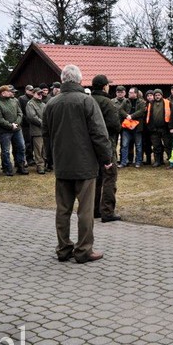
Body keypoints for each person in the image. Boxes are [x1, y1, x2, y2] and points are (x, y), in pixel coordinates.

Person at [43, 65, 113, 263]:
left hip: (62, 164)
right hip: (85, 165)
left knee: (62, 209)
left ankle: (63, 249)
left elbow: (46, 135)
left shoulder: (51, 104)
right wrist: (106, 159)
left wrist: (50, 159)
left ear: (63, 80)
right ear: (80, 81)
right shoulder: (86, 101)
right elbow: (99, 134)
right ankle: (83, 250)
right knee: (85, 210)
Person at [90, 75, 122, 222]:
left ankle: (94, 209)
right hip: (106, 143)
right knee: (109, 178)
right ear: (104, 86)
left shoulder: (88, 100)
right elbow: (115, 124)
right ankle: (107, 212)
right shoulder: (107, 102)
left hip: (91, 145)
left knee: (96, 178)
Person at [0, 85, 28, 176]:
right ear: (3, 93)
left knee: (21, 147)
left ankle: (21, 167)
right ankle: (8, 169)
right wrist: (10, 126)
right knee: (6, 151)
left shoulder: (15, 101)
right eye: (9, 91)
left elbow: (20, 113)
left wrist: (16, 123)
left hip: (17, 129)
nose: (11, 92)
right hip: (5, 131)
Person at [122, 87, 146, 168]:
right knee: (124, 145)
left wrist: (131, 116)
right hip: (127, 127)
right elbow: (120, 110)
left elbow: (141, 111)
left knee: (138, 145)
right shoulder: (126, 101)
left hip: (137, 127)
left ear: (135, 93)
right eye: (129, 92)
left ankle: (138, 162)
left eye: (131, 92)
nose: (129, 94)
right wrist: (126, 115)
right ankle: (123, 162)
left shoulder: (142, 102)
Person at [147, 89, 172, 167]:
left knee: (168, 145)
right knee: (156, 146)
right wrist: (150, 127)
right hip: (154, 129)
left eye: (159, 95)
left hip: (165, 128)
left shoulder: (168, 102)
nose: (157, 96)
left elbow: (172, 115)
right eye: (156, 95)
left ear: (161, 95)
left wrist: (170, 126)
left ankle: (171, 160)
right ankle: (158, 161)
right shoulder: (150, 104)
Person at [26, 88, 47, 174]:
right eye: (38, 93)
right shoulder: (30, 104)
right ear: (33, 93)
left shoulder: (43, 104)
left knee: (44, 150)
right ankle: (40, 167)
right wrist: (43, 123)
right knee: (38, 150)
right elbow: (32, 117)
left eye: (41, 94)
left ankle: (45, 165)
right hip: (37, 131)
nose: (40, 95)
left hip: (45, 131)